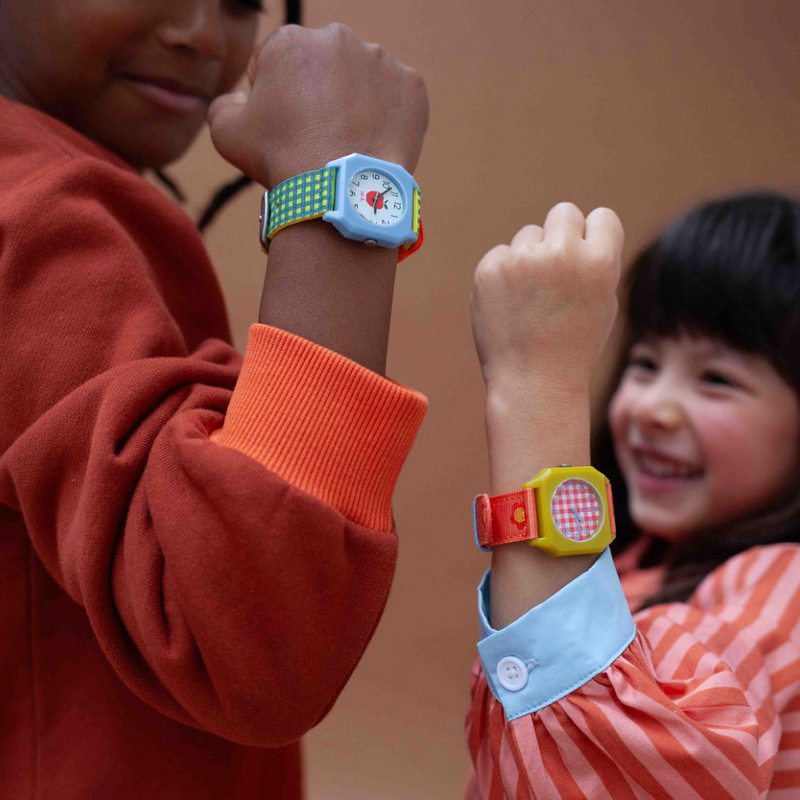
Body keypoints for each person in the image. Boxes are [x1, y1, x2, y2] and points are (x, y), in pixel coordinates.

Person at [0, 2, 429, 798]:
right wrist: (340, 173)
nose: (202, 35)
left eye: (241, 3)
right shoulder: (34, 208)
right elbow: (250, 643)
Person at [466, 193, 800, 798]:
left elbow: (623, 770)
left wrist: (537, 388)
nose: (651, 407)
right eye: (645, 363)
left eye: (717, 378)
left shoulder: (786, 589)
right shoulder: (636, 564)